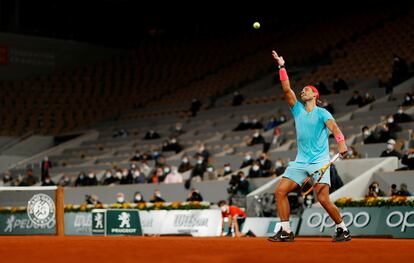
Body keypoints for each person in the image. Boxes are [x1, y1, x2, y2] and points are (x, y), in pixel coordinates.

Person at [268, 51, 350, 243]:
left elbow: (335, 128)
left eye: (307, 89)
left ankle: (342, 229)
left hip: (319, 161)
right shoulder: (297, 109)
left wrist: (341, 143)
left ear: (315, 94)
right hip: (300, 162)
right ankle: (286, 231)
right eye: (302, 90)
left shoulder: (323, 113)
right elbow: (287, 89)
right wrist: (282, 66)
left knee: (322, 199)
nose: (303, 91)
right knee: (280, 192)